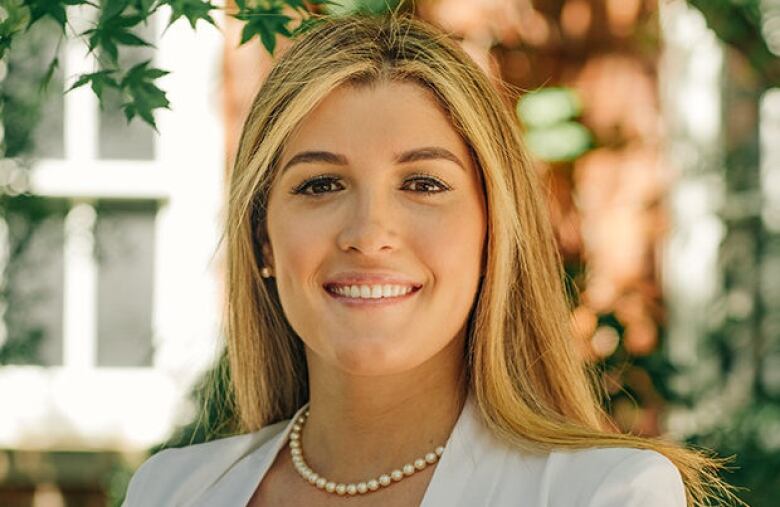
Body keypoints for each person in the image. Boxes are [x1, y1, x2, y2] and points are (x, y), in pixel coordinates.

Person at [123, 13, 737, 507]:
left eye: (422, 184)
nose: (369, 233)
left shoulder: (607, 493)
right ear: (262, 240)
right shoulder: (172, 491)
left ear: (493, 230)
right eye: (319, 185)